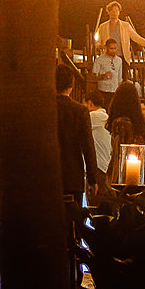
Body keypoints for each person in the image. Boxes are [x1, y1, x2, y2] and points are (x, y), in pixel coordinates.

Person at [55, 63, 99, 197]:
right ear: (71, 86)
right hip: (72, 176)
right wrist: (92, 179)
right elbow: (88, 146)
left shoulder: (44, 109)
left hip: (47, 176)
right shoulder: (80, 111)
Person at [105, 83, 145, 184]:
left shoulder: (119, 123)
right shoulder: (139, 123)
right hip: (139, 167)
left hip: (121, 169)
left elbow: (118, 152)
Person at [87, 107, 114, 175]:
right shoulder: (106, 117)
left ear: (90, 103)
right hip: (107, 165)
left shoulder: (92, 116)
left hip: (98, 167)